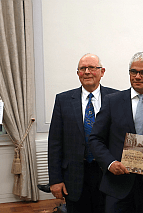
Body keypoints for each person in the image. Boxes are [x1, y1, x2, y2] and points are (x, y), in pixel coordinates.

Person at [88, 52, 143, 213]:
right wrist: (110, 163)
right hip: (117, 186)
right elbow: (95, 139)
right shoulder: (112, 101)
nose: (137, 76)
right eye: (133, 72)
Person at [48, 54, 118, 213]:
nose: (87, 72)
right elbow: (55, 143)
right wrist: (55, 180)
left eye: (92, 68)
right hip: (74, 176)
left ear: (102, 71)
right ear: (78, 73)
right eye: (82, 69)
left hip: (108, 174)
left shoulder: (116, 98)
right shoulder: (63, 100)